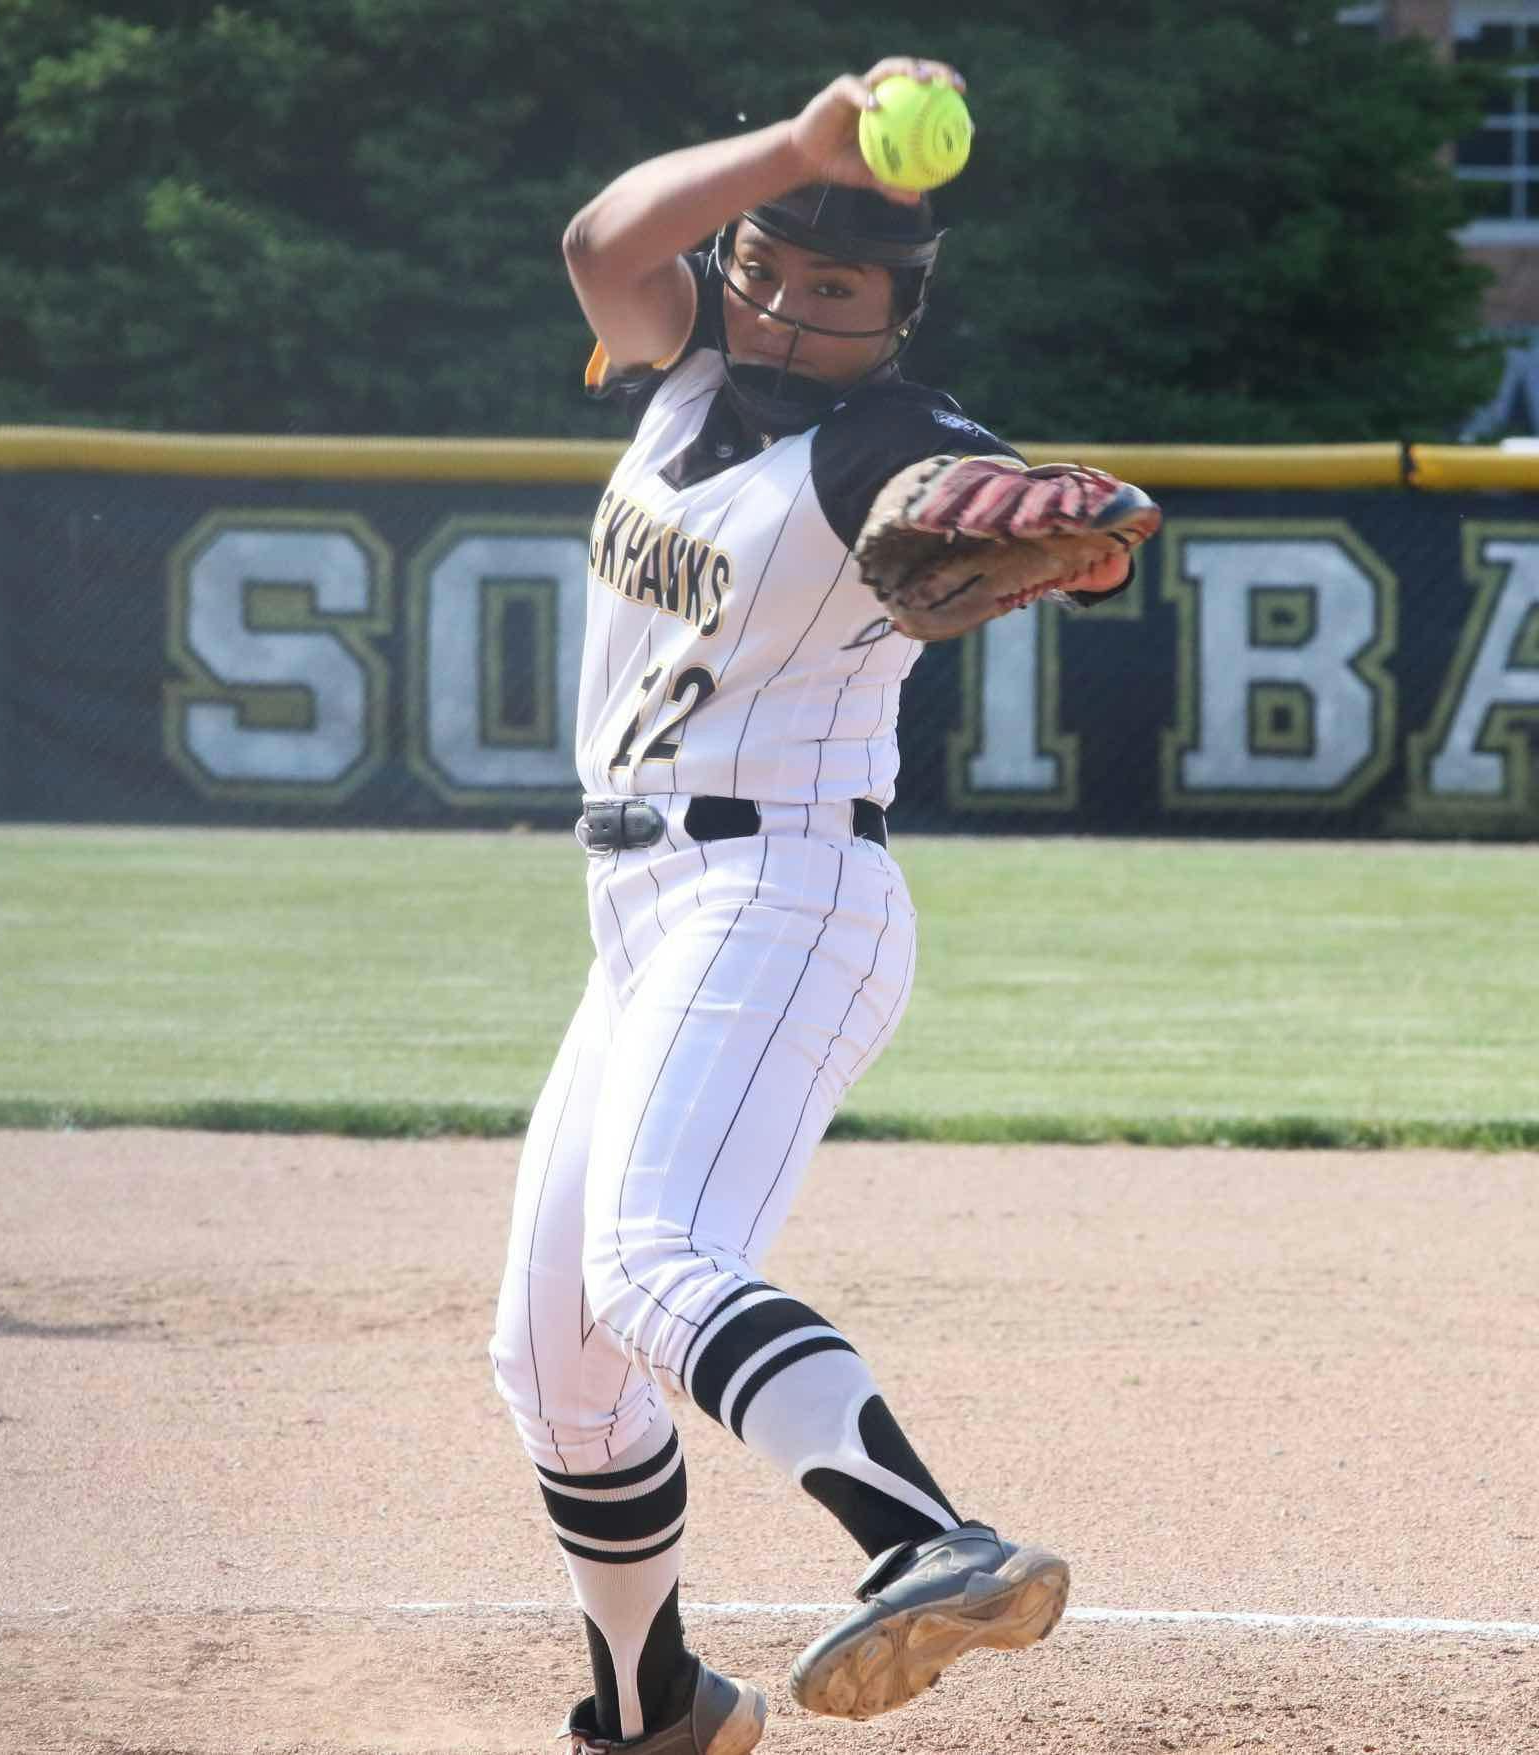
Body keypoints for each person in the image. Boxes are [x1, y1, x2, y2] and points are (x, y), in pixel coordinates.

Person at [488, 56, 1133, 1755]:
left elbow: (970, 509)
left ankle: (931, 1541)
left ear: (897, 312)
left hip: (779, 886)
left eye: (830, 288)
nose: (780, 309)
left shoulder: (892, 442)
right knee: (552, 1358)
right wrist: (792, 151)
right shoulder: (688, 357)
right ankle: (658, 1708)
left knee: (646, 1264)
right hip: (636, 906)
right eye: (764, 269)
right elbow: (600, 242)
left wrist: (1056, 530)